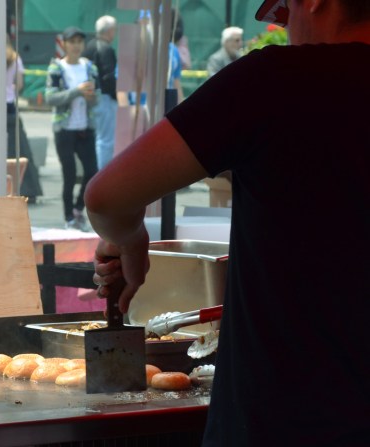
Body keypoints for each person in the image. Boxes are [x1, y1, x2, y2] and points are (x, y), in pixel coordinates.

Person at [85, 0, 369, 445]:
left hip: (283, 423)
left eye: (281, 9)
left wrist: (130, 238)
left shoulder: (276, 82)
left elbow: (107, 196)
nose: (281, 23)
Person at [45, 26, 100, 231]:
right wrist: (76, 92)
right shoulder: (57, 68)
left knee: (92, 173)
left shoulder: (89, 68)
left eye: (79, 42)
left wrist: (91, 97)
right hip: (64, 129)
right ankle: (68, 217)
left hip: (85, 127)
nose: (76, 46)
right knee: (68, 175)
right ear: (64, 44)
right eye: (72, 42)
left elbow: (98, 99)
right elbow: (51, 97)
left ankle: (78, 208)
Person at [5, 35, 43, 203]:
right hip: (10, 104)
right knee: (18, 148)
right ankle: (26, 189)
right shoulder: (14, 57)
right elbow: (19, 85)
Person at [82, 15, 118, 170]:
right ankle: (103, 173)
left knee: (97, 138)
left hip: (90, 97)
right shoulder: (106, 48)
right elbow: (109, 77)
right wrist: (117, 96)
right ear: (110, 31)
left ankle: (94, 172)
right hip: (105, 98)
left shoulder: (89, 46)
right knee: (106, 140)